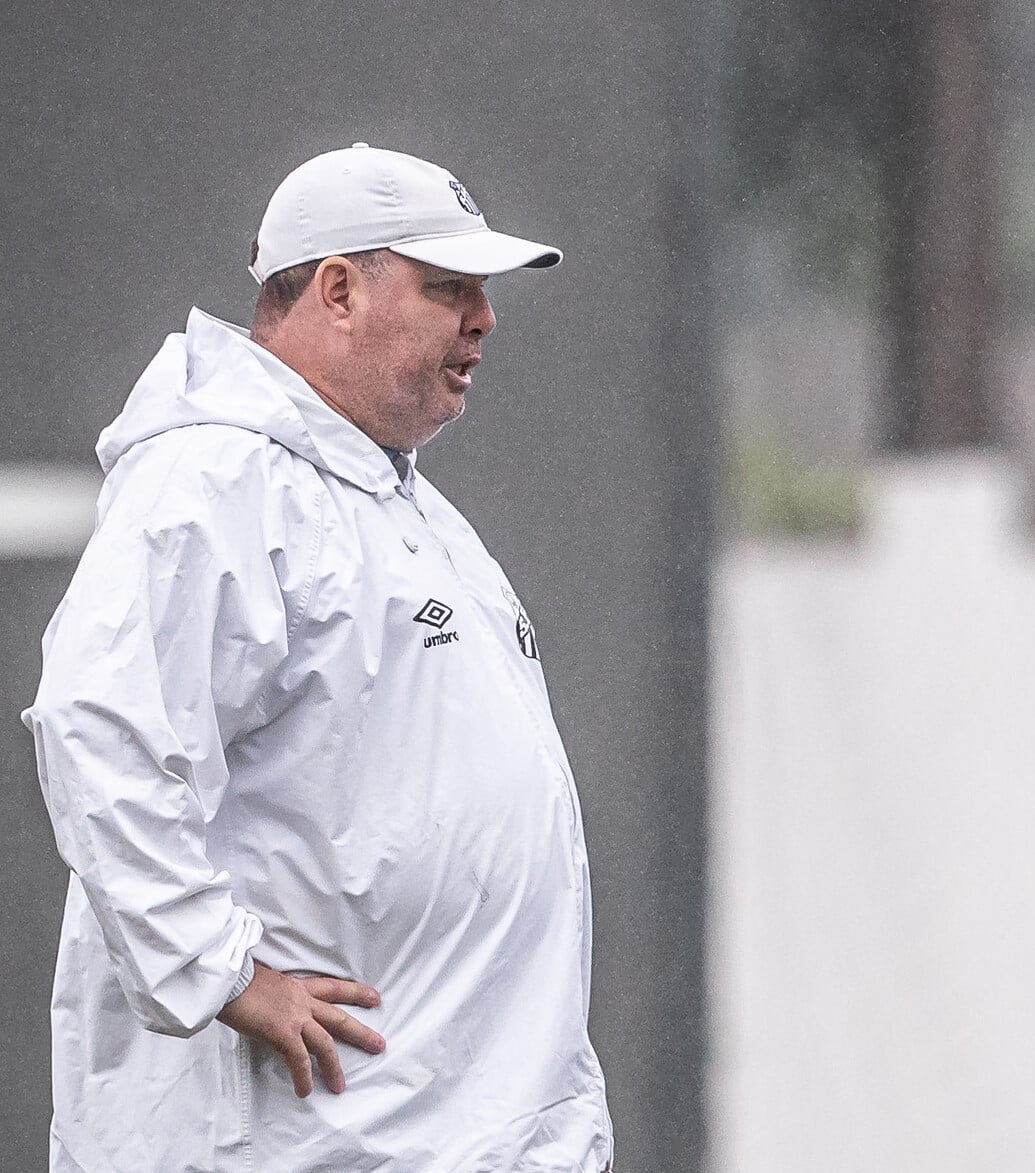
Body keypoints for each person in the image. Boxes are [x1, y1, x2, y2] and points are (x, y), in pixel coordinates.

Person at [24, 144, 613, 1171]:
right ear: (337, 289)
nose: (482, 318)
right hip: (301, 1141)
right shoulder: (214, 476)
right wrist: (219, 973)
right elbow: (101, 723)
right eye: (448, 286)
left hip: (432, 1131)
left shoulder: (388, 495)